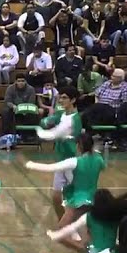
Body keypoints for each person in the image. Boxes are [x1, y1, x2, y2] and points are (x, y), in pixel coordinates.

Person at [28, 132, 104, 252]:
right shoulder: (99, 159)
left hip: (77, 202)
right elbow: (100, 166)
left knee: (60, 234)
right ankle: (89, 252)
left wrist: (32, 164)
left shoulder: (75, 161)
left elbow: (50, 167)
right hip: (94, 200)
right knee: (90, 232)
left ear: (79, 146)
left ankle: (82, 250)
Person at [34, 86, 83, 223]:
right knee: (56, 197)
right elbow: (45, 122)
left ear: (73, 100)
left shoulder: (76, 118)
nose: (61, 100)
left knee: (77, 201)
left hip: (72, 163)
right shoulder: (61, 115)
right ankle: (65, 224)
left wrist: (60, 136)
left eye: (64, 97)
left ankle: (86, 225)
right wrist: (45, 122)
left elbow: (75, 139)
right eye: (60, 97)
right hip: (60, 162)